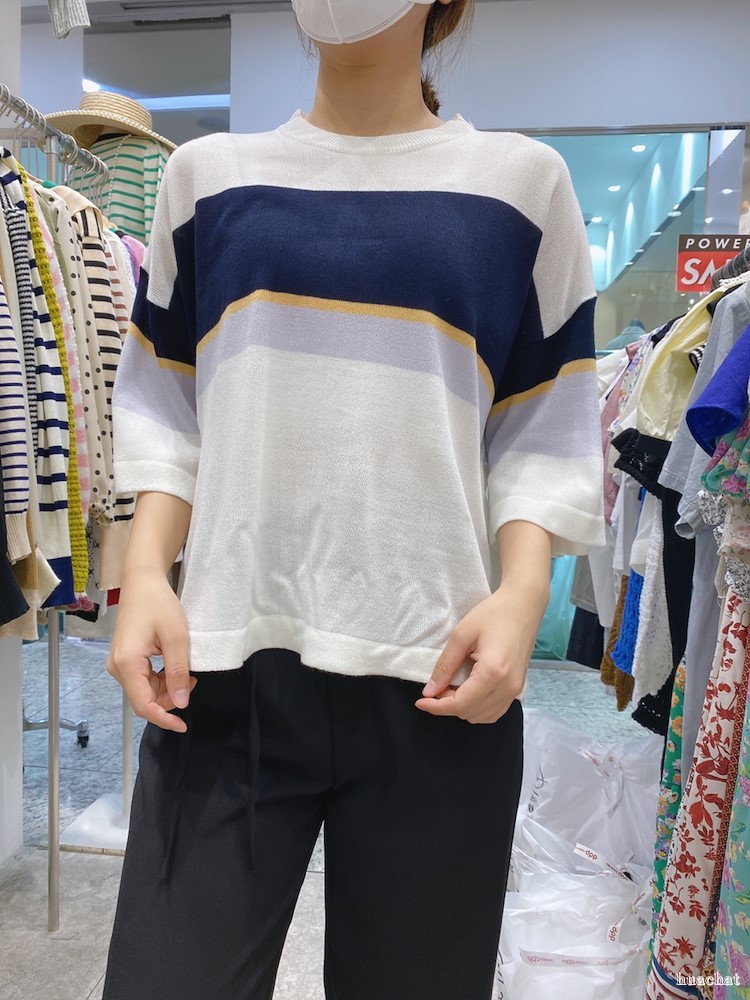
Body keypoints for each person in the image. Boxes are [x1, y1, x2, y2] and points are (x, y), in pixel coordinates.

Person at [102, 1, 605, 997]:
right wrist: (147, 573)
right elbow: (167, 407)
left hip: (438, 675)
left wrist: (520, 595)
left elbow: (542, 426)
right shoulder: (207, 178)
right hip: (227, 665)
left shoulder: (522, 185)